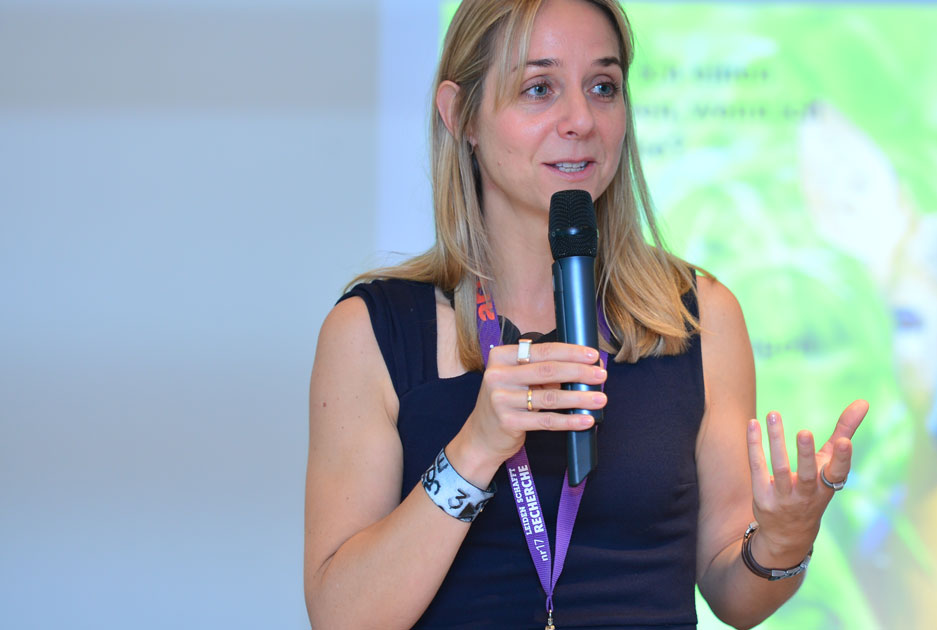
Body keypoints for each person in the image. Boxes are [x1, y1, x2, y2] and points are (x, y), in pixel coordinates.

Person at [303, 0, 868, 628]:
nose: (580, 120)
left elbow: (736, 597)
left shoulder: (699, 316)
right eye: (539, 88)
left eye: (603, 87)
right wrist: (475, 449)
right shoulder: (371, 331)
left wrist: (783, 542)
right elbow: (342, 617)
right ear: (460, 115)